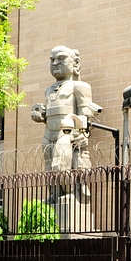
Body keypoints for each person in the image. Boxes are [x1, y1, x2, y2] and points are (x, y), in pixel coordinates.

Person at [30, 45, 96, 174]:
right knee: (49, 167)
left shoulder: (79, 86)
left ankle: (70, 192)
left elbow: (85, 113)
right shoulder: (48, 90)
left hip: (67, 132)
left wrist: (82, 133)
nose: (55, 63)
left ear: (75, 63)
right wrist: (41, 115)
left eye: (61, 58)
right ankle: (55, 193)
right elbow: (51, 114)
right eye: (52, 59)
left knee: (63, 166)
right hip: (48, 132)